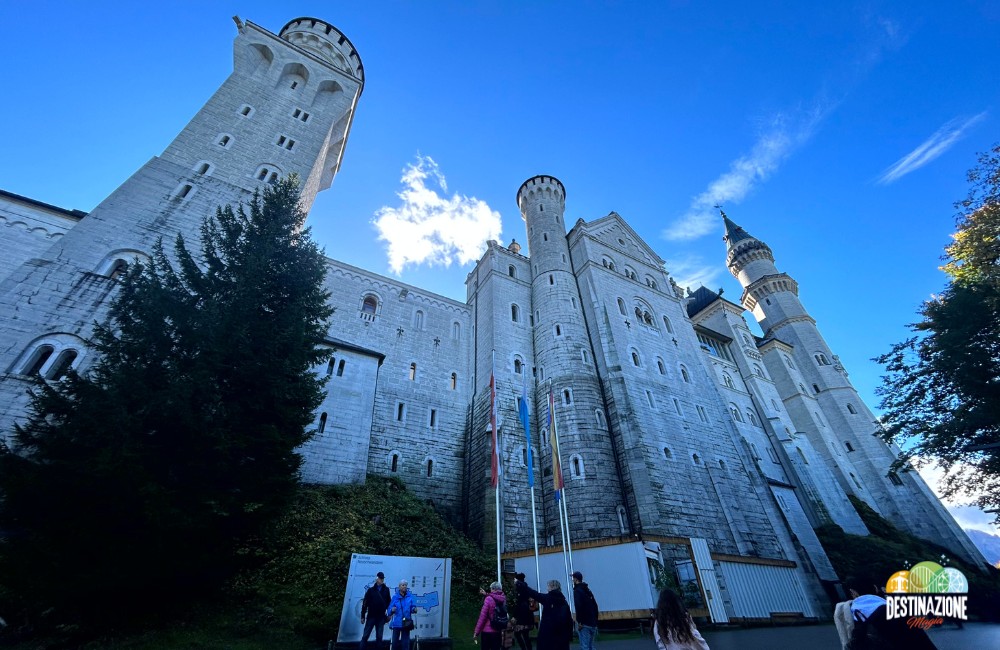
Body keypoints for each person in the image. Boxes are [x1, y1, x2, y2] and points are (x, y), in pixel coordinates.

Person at [515, 576, 573, 650]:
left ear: (552, 587)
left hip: (548, 634)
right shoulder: (564, 602)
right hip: (561, 636)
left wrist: (519, 583)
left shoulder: (547, 598)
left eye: (548, 586)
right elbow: (569, 620)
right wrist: (569, 636)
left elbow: (533, 593)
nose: (547, 588)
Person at [360, 571, 392, 650]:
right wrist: (362, 616)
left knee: (379, 637)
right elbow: (365, 603)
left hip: (381, 617)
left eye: (382, 579)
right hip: (371, 616)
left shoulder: (386, 590)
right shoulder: (370, 590)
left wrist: (389, 614)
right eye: (380, 578)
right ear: (377, 579)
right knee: (365, 636)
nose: (381, 580)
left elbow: (389, 603)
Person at [474, 581, 508, 650]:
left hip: (487, 631)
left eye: (491, 589)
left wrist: (476, 632)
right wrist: (485, 594)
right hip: (498, 629)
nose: (490, 590)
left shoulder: (488, 599)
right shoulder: (503, 599)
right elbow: (494, 597)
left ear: (494, 589)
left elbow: (482, 617)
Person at [572, 571, 600, 650]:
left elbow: (579, 606)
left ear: (576, 579)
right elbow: (595, 605)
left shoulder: (577, 591)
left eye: (573, 578)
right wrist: (595, 619)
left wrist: (580, 621)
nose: (572, 580)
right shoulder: (587, 590)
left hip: (584, 623)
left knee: (584, 646)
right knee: (591, 646)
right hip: (592, 622)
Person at [387, 579, 417, 650]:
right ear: (399, 587)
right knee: (394, 644)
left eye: (406, 585)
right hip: (397, 623)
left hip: (406, 623)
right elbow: (389, 610)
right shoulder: (395, 597)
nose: (404, 587)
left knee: (405, 644)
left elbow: (412, 607)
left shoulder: (410, 597)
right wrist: (392, 610)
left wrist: (414, 609)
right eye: (403, 585)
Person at [511, 573, 535, 650]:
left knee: (518, 634)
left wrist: (514, 616)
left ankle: (524, 648)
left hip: (522, 617)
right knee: (525, 635)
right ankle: (528, 648)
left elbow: (518, 605)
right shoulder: (526, 588)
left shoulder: (521, 590)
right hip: (528, 616)